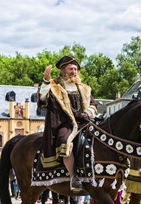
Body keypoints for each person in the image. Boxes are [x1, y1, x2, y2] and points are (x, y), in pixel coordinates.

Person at [37, 55, 97, 191]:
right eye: (71, 69)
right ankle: (73, 177)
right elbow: (42, 100)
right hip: (64, 123)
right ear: (64, 70)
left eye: (76, 69)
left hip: (85, 121)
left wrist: (88, 112)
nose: (74, 72)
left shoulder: (84, 88)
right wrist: (46, 80)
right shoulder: (54, 86)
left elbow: (93, 104)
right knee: (65, 141)